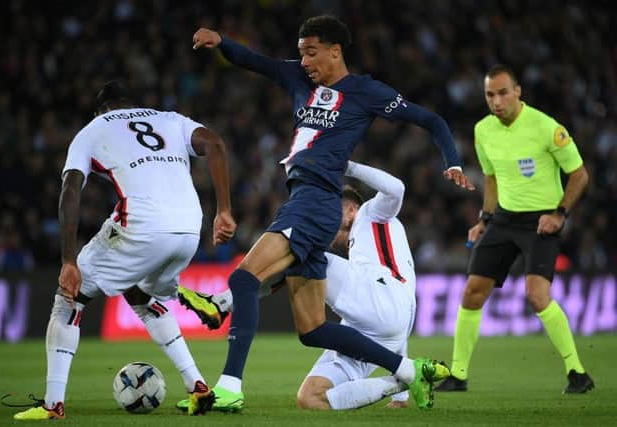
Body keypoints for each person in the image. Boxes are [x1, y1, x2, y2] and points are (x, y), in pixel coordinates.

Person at [184, 15, 473, 411]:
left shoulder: (366, 91)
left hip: (317, 200)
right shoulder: (298, 80)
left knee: (244, 279)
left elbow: (431, 119)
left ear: (335, 51)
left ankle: (230, 382)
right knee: (313, 330)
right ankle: (406, 370)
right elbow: (256, 61)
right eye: (301, 53)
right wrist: (222, 42)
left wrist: (451, 161)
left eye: (311, 52)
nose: (303, 61)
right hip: (304, 198)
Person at [13, 81, 237, 420]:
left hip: (143, 225)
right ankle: (197, 385)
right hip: (191, 227)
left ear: (101, 109)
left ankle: (52, 404)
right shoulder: (170, 119)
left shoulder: (93, 129)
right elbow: (216, 143)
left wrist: (68, 260)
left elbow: (70, 189)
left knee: (68, 300)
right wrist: (224, 210)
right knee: (141, 296)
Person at [177, 161, 429, 411]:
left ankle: (222, 302)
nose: (328, 228)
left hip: (383, 300)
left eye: (332, 211)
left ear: (351, 209)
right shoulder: (368, 252)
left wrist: (346, 166)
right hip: (387, 327)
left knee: (301, 249)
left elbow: (396, 188)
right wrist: (400, 396)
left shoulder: (371, 213)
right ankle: (402, 380)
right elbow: (395, 317)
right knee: (311, 398)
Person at [436, 65, 593, 394]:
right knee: (472, 292)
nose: (497, 101)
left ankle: (578, 373)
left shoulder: (546, 127)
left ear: (518, 91)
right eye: (490, 95)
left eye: (503, 92)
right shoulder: (483, 131)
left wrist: (560, 213)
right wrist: (484, 219)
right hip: (504, 219)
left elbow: (579, 175)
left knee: (537, 297)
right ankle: (459, 376)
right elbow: (492, 178)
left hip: (540, 221)